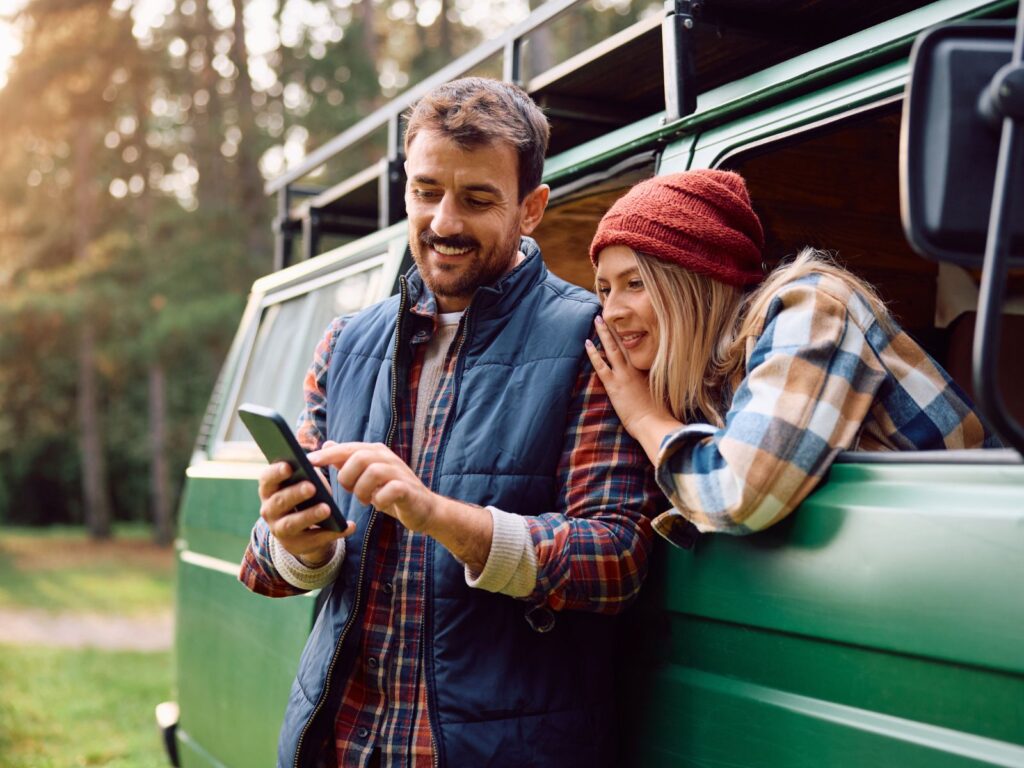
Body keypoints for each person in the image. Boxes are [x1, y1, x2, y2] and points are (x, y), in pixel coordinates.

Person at [238, 77, 659, 768]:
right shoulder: (345, 343)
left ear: (532, 208)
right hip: (339, 745)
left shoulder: (594, 337)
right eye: (427, 191)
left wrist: (440, 516)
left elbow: (615, 559)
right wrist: (297, 544)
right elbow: (271, 569)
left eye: (477, 198)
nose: (443, 221)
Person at [584, 169, 999, 546]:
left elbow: (738, 494)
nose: (612, 310)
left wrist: (644, 419)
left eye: (635, 283)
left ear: (695, 283)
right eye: (604, 290)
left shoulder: (812, 306)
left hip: (984, 543)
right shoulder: (709, 372)